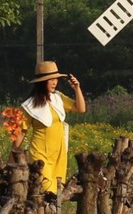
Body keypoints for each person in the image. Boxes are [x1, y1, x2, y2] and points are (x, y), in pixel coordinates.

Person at [20, 61, 86, 197]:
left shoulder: (58, 98)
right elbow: (21, 132)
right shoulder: (29, 105)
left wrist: (77, 88)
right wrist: (12, 158)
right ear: (41, 82)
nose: (54, 82)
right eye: (50, 79)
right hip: (40, 154)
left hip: (59, 155)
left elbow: (81, 108)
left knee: (56, 193)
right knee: (46, 191)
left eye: (56, 79)